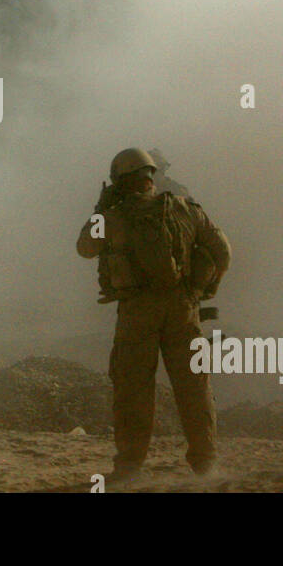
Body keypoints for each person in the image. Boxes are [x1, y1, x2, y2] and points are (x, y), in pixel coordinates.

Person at [76, 147, 231, 485]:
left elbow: (85, 247)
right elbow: (223, 251)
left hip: (137, 312)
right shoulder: (185, 210)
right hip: (184, 309)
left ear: (120, 180)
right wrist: (207, 291)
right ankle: (206, 465)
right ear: (151, 176)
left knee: (133, 389)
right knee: (194, 387)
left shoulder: (114, 217)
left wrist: (102, 208)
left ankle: (129, 468)